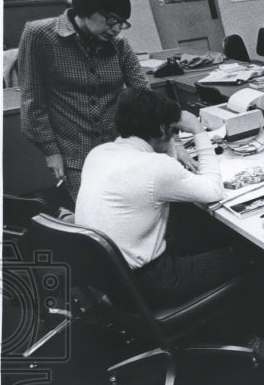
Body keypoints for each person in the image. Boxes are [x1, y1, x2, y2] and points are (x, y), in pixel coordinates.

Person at [75, 88, 243, 309]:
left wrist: (167, 136)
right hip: (151, 283)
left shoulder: (98, 153)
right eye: (173, 131)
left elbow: (164, 170)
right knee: (246, 255)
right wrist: (197, 130)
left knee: (195, 231)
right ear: (162, 129)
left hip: (110, 280)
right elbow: (213, 191)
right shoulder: (155, 167)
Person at [18, 0, 148, 203]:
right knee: (95, 217)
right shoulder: (39, 35)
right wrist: (50, 151)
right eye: (111, 19)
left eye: (122, 22)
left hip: (121, 148)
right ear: (86, 8)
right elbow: (32, 101)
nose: (117, 28)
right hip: (76, 156)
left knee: (132, 210)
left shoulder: (119, 45)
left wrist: (168, 137)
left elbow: (143, 93)